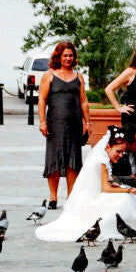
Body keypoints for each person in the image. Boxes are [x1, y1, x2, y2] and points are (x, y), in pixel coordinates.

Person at [35, 126, 136, 242]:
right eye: (118, 151)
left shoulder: (104, 157)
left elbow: (106, 180)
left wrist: (117, 185)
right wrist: (128, 190)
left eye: (122, 152)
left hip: (96, 193)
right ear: (108, 146)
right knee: (126, 197)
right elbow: (106, 188)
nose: (120, 155)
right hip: (92, 198)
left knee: (127, 195)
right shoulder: (102, 160)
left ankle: (128, 227)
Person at [38, 41, 91, 210]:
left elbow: (84, 101)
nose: (68, 58)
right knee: (54, 158)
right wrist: (42, 122)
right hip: (55, 123)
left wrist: (87, 122)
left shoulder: (79, 76)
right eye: (65, 55)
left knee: (72, 160)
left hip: (74, 123)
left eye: (70, 55)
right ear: (59, 56)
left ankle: (71, 196)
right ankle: (53, 197)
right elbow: (42, 100)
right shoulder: (49, 75)